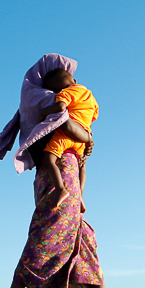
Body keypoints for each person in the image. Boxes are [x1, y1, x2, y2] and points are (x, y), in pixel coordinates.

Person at [0, 54, 137, 288]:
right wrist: (88, 138)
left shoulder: (35, 100)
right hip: (59, 169)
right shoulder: (50, 98)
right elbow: (67, 122)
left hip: (61, 166)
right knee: (50, 229)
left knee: (84, 236)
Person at [37, 68, 98, 210]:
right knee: (82, 167)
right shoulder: (90, 96)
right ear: (74, 81)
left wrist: (43, 113)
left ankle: (60, 188)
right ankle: (80, 196)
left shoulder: (66, 92)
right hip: (82, 138)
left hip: (65, 136)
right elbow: (93, 116)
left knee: (49, 159)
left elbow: (60, 106)